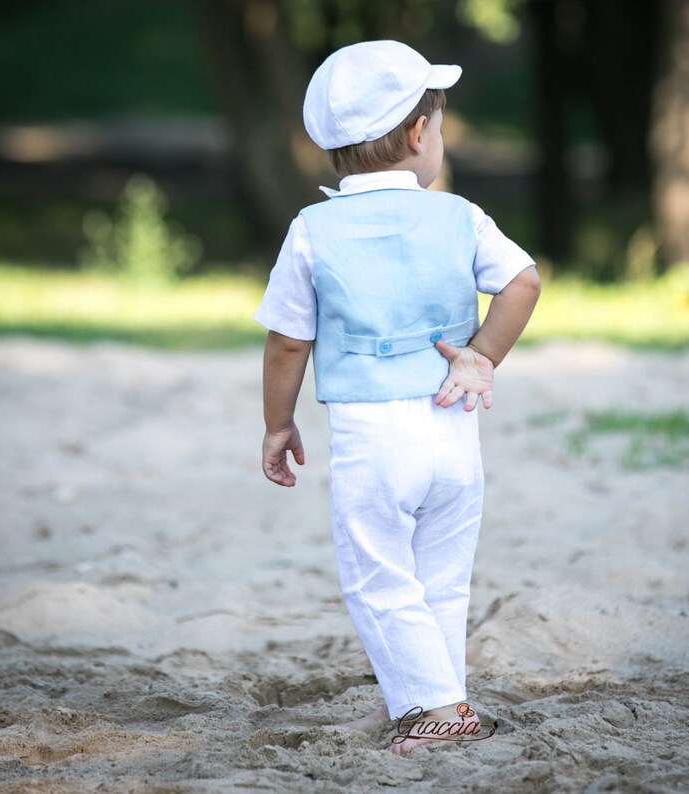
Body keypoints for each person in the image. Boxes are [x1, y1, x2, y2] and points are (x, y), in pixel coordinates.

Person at [254, 40, 541, 755]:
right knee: (438, 581)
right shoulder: (460, 216)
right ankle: (428, 706)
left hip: (373, 442)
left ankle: (439, 711)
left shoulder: (311, 231)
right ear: (420, 135)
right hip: (453, 432)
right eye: (439, 125)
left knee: (378, 580)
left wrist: (277, 423)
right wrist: (480, 355)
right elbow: (524, 281)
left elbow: (289, 341)